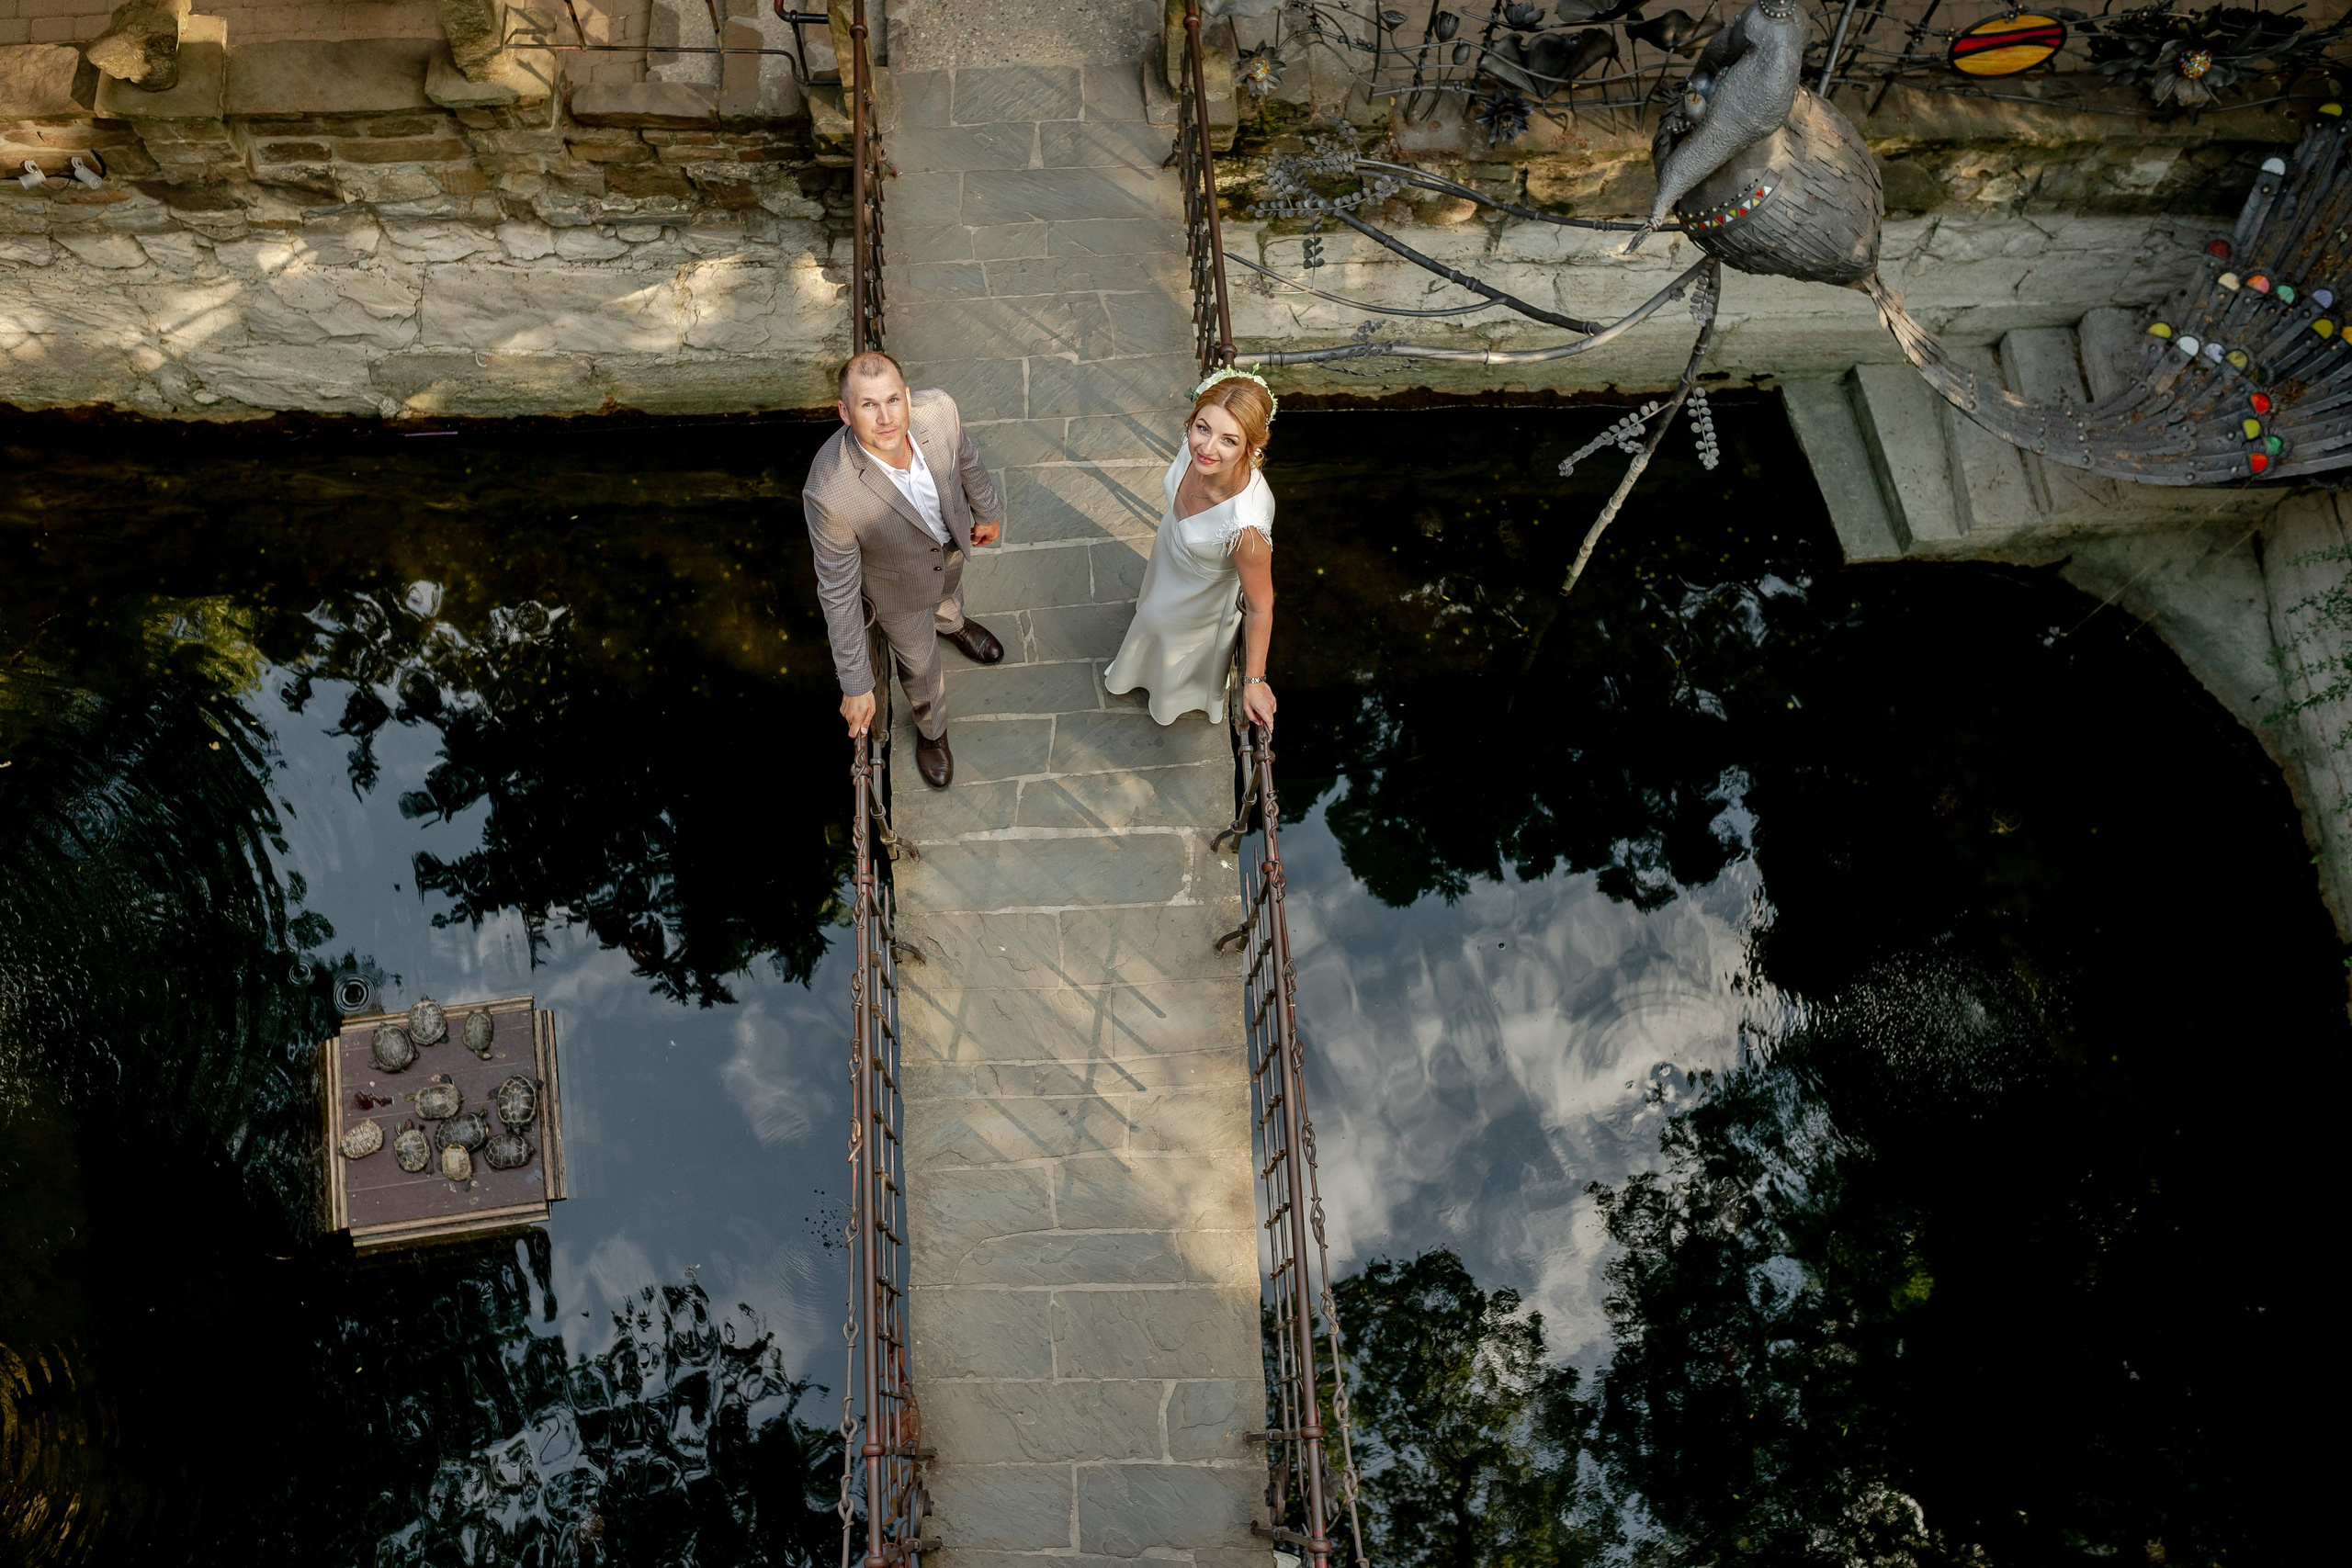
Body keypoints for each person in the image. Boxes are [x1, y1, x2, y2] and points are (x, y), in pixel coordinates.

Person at [803, 351, 1006, 787]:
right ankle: (933, 733)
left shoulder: (939, 411)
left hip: (949, 546)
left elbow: (967, 459)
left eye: (893, 400)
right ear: (845, 412)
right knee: (920, 666)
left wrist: (987, 511)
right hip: (896, 590)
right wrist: (857, 683)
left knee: (950, 595)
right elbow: (838, 591)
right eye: (868, 405)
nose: (885, 418)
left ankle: (953, 625)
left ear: (908, 398)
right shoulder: (829, 492)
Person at [1103, 369, 1279, 729]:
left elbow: (1261, 607)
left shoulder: (1246, 528)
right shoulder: (1194, 448)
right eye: (1203, 428)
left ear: (1250, 447)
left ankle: (1173, 695)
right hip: (1169, 554)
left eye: (1228, 440)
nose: (1207, 448)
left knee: (1162, 629)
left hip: (1197, 598)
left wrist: (1254, 680)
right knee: (1150, 613)